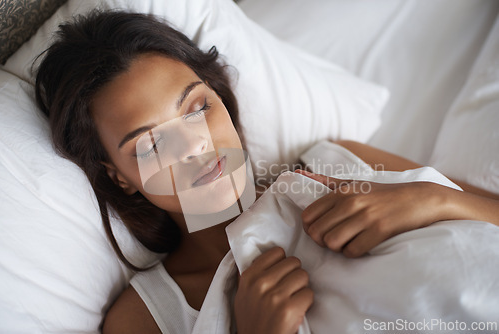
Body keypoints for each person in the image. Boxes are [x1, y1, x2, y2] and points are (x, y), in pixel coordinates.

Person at [34, 10, 499, 334]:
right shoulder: (145, 318)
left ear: (222, 99)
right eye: (151, 143)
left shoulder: (339, 161)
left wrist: (435, 197)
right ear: (116, 175)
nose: (196, 144)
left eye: (198, 107)